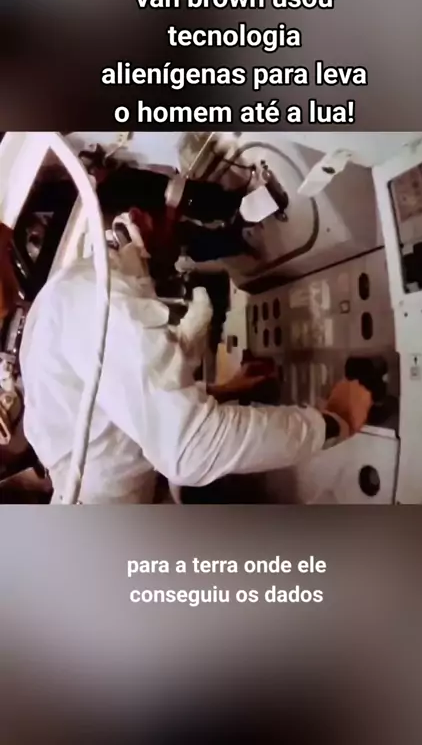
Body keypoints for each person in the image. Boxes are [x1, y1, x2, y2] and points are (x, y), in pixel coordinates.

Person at [19, 166, 372, 504]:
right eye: (174, 224)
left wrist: (225, 390)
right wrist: (332, 423)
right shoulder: (100, 296)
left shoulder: (72, 291)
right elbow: (189, 449)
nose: (179, 243)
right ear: (140, 219)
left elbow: (118, 411)